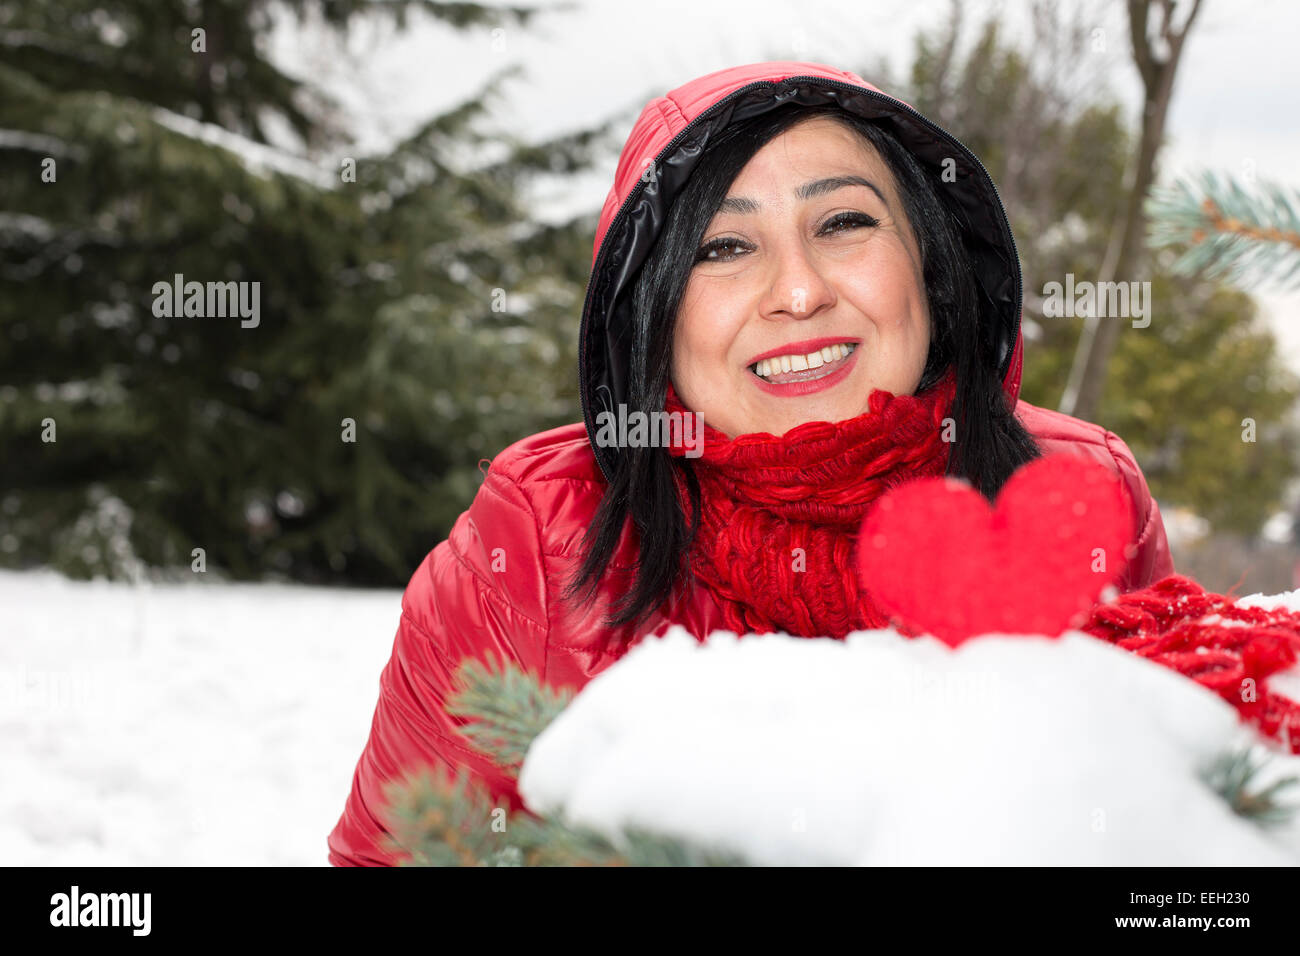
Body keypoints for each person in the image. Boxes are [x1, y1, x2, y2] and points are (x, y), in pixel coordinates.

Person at [327, 60, 1174, 866]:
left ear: (932, 263)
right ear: (651, 310)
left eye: (843, 223)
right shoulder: (536, 541)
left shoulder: (1078, 492)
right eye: (724, 247)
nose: (799, 290)